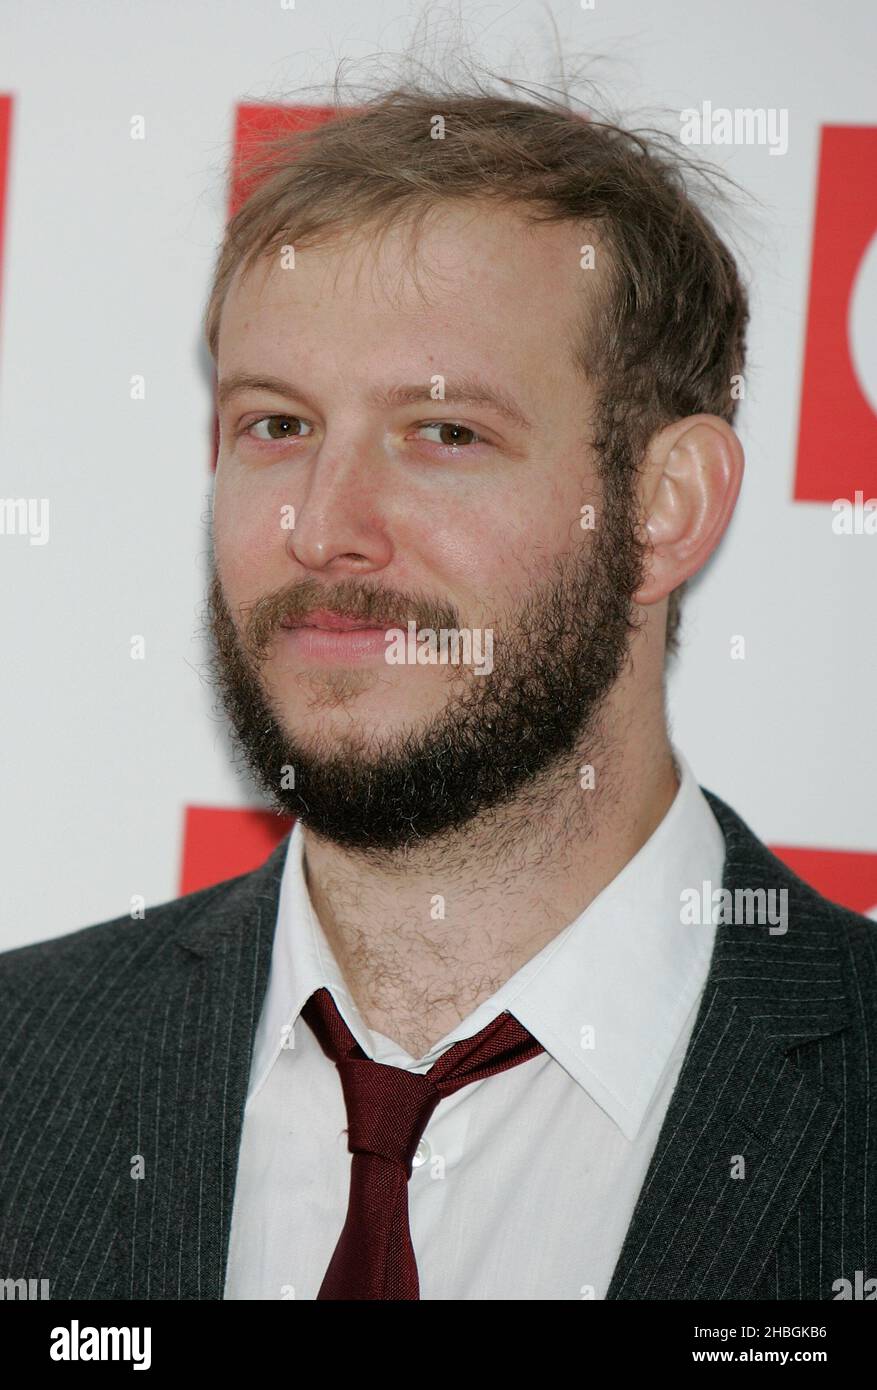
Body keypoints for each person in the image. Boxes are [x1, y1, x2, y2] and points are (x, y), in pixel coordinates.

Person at [1, 78, 873, 1303]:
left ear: (665, 505)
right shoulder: (21, 1066)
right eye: (276, 425)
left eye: (445, 432)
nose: (322, 528)